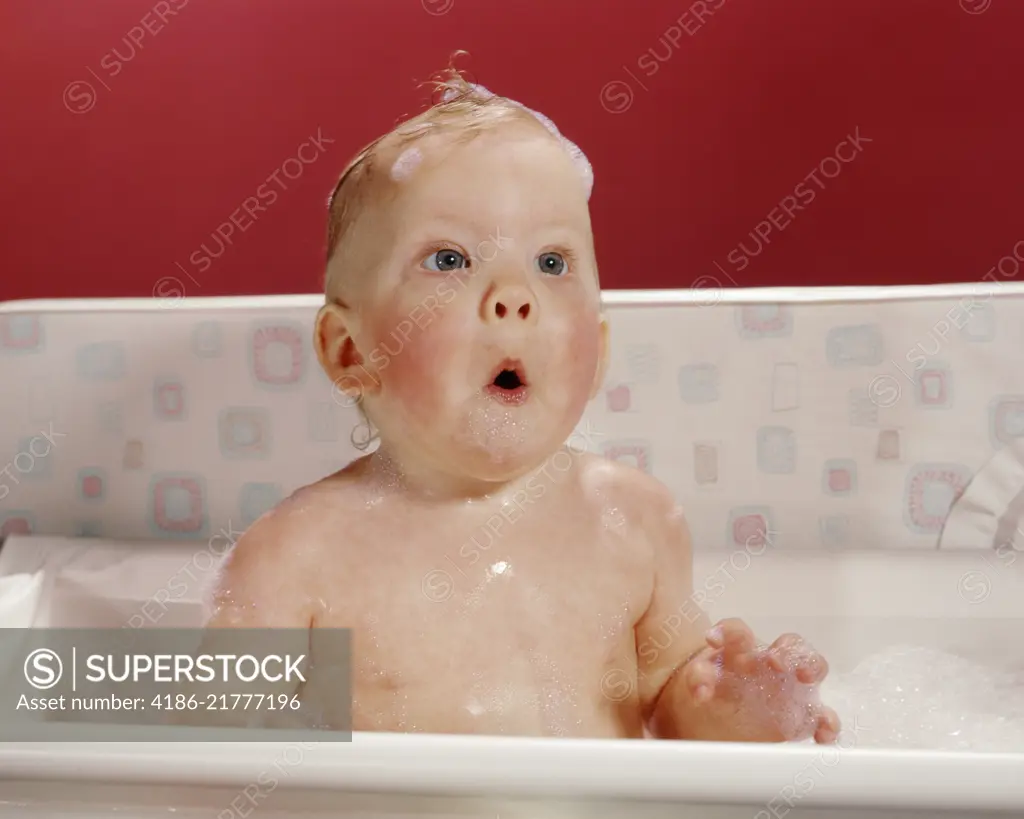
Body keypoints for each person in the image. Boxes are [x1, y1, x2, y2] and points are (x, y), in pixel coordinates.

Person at [201, 62, 840, 743]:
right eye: (450, 259)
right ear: (351, 352)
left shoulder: (634, 519)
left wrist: (739, 706)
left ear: (596, 348)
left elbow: (667, 711)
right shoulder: (295, 555)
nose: (514, 294)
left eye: (552, 262)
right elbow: (206, 758)